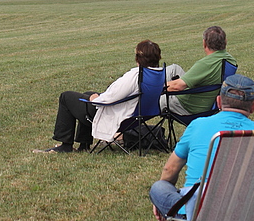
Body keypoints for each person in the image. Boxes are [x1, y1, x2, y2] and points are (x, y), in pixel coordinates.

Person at [149, 74, 254, 221]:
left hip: (197, 218)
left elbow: (170, 169)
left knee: (159, 188)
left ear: (218, 101)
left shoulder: (198, 126)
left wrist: (162, 203)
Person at [34, 40, 177, 153]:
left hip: (119, 117)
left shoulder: (136, 75)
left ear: (138, 58)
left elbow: (109, 98)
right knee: (89, 93)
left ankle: (65, 145)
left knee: (66, 97)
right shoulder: (158, 74)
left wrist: (94, 99)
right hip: (138, 116)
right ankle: (84, 144)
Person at [163, 26, 235, 116]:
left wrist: (155, 88)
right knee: (174, 68)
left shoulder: (206, 64)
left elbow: (178, 86)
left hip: (189, 105)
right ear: (225, 41)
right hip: (206, 98)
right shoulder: (230, 60)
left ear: (204, 43)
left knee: (156, 100)